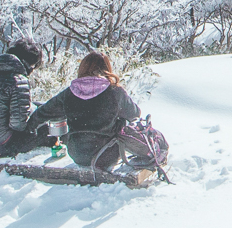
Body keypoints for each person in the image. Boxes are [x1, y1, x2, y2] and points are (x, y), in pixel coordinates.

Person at [33, 51, 161, 186]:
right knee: (122, 121)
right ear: (107, 69)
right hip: (106, 155)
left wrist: (27, 128)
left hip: (77, 154)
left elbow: (43, 112)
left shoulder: (69, 92)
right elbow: (134, 114)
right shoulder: (115, 91)